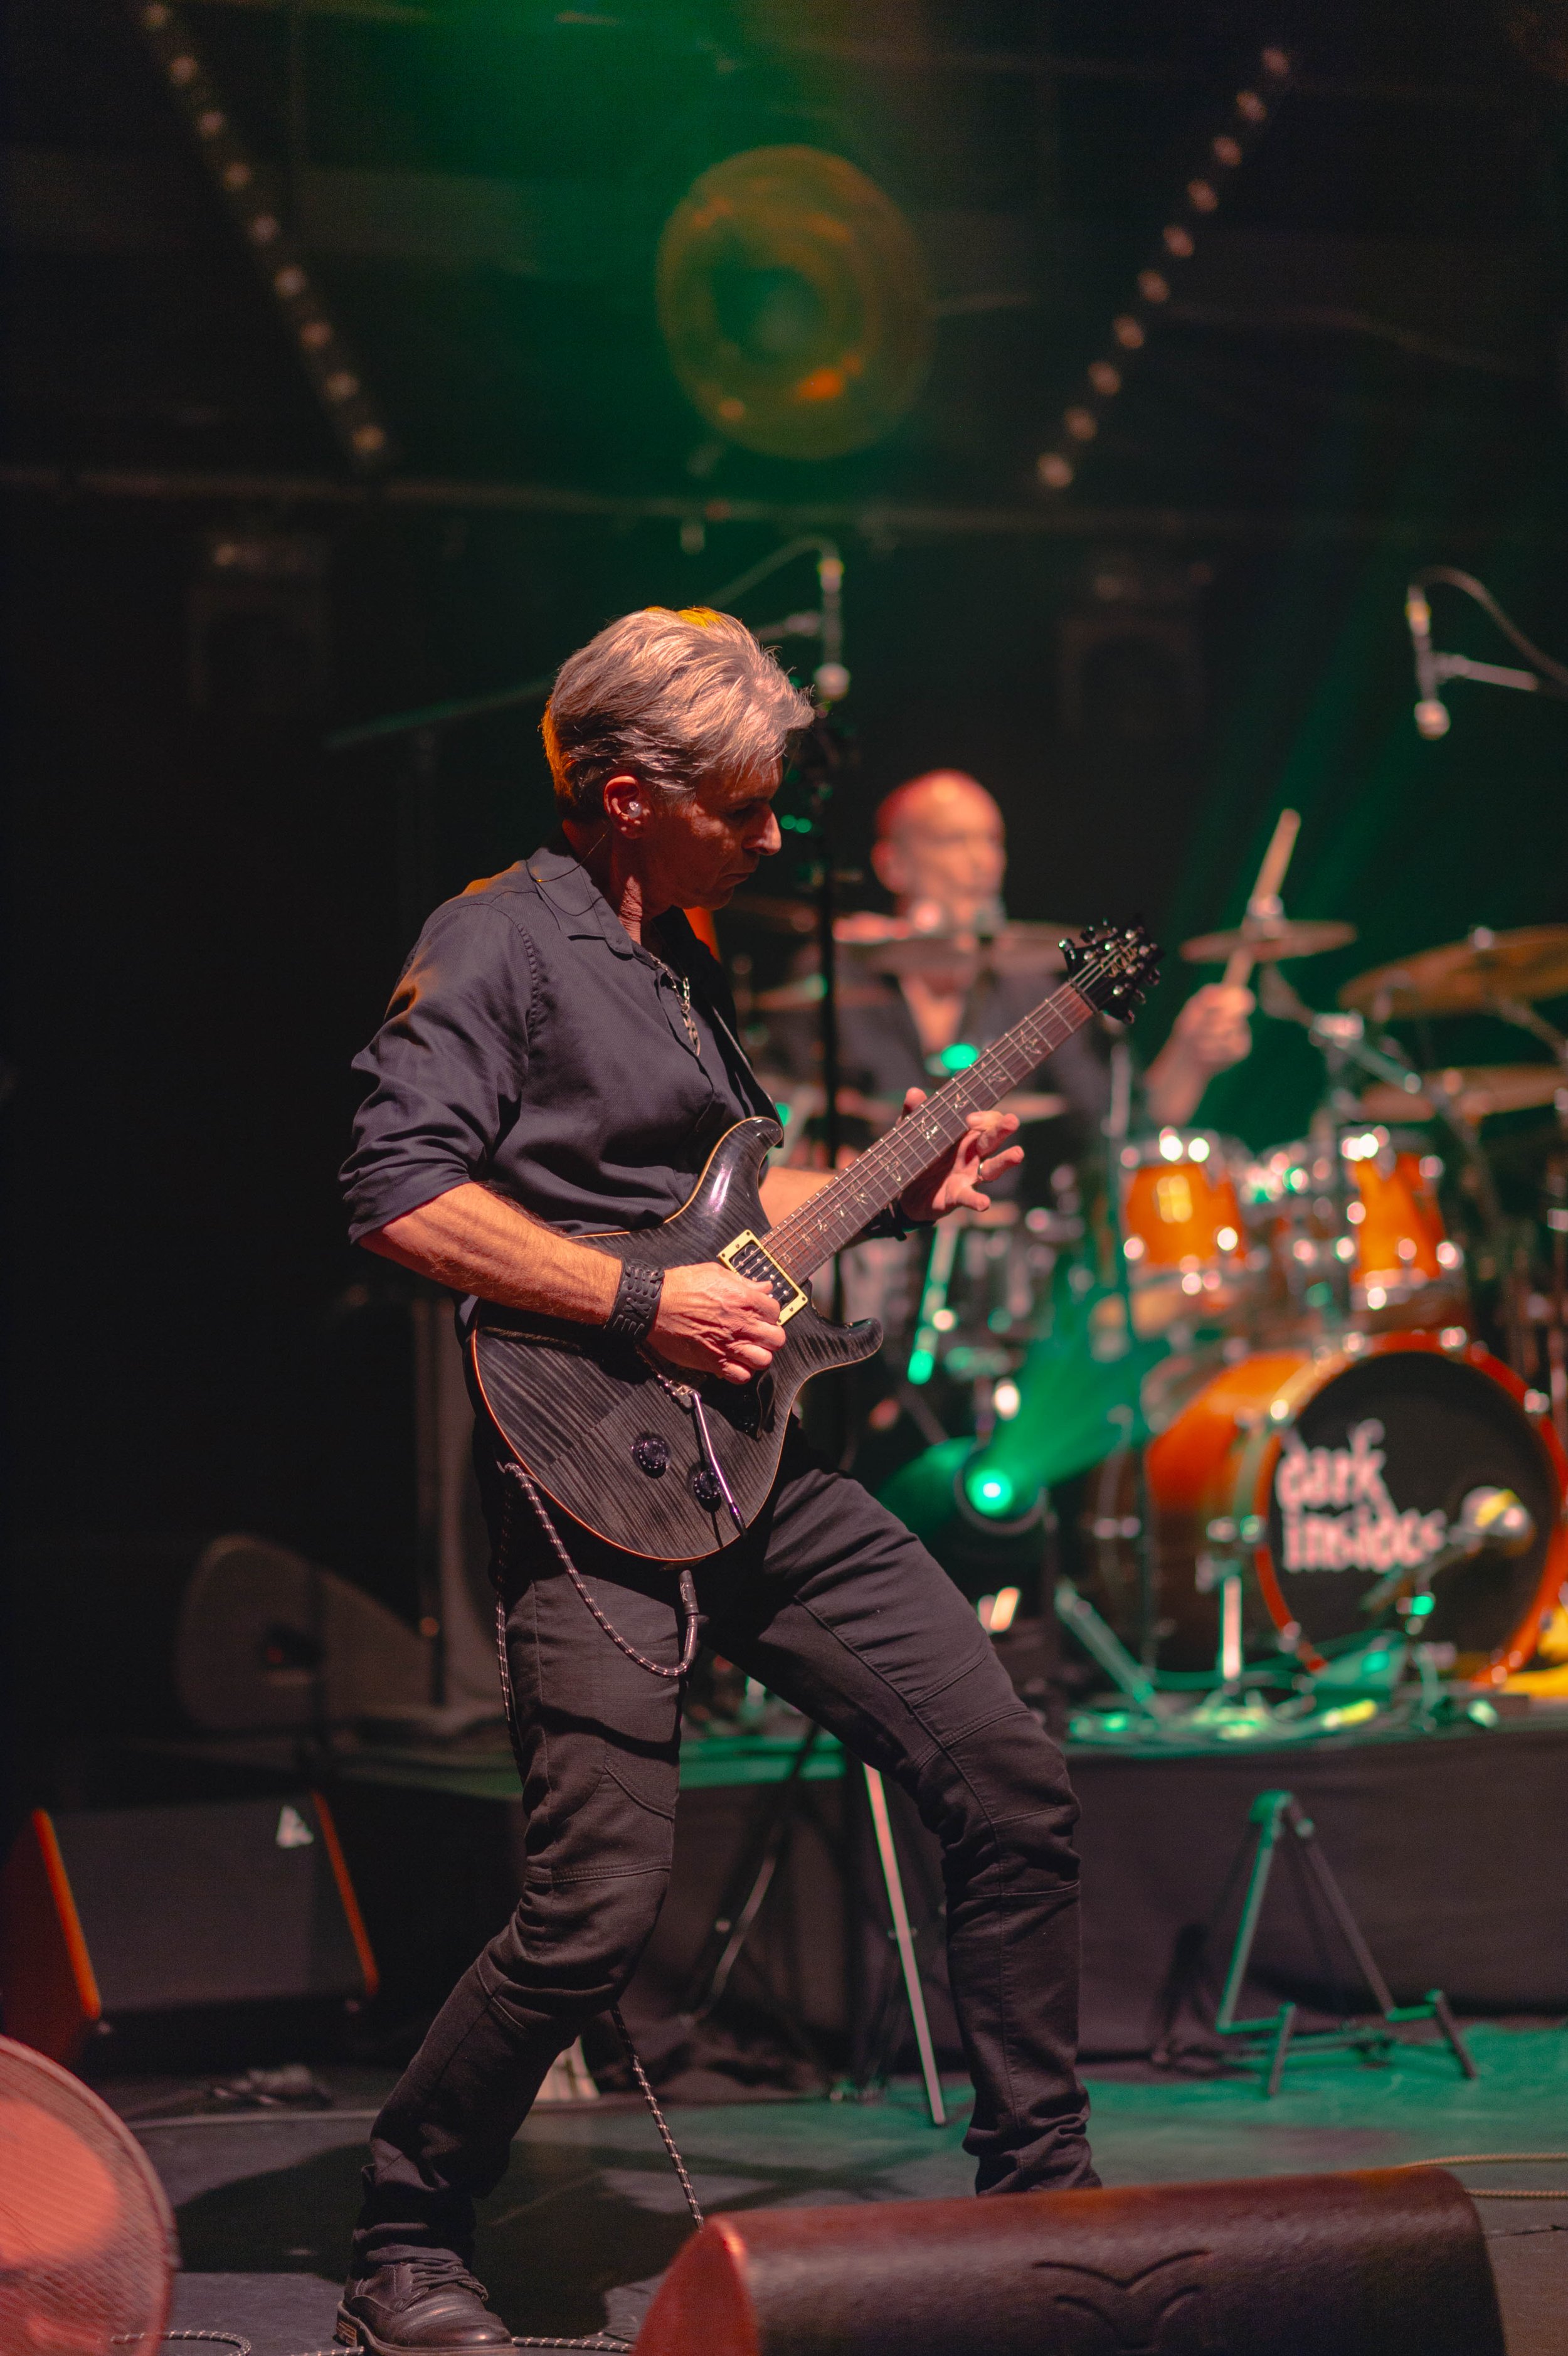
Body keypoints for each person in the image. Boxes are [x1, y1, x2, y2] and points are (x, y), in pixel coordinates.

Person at [335, 610, 1099, 2355]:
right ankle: (405, 2232)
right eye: (743, 811)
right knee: (592, 1906)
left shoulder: (671, 959)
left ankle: (1048, 2207)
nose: (772, 841)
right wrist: (637, 1300)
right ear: (623, 796)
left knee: (1004, 1773)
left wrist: (895, 1184)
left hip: (756, 1464)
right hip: (583, 1464)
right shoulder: (495, 940)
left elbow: (717, 1220)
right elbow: (394, 1192)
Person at [822, 768, 1253, 1141]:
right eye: (954, 841)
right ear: (893, 865)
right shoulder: (834, 980)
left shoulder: (1028, 987)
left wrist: (1190, 1055)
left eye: (992, 841)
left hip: (999, 1223)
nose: (982, 862)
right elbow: (777, 1126)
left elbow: (1114, 1128)